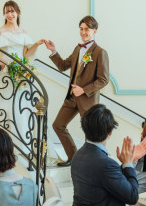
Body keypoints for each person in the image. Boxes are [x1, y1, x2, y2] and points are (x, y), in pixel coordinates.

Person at [44, 15, 109, 166]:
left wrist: (84, 90)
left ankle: (89, 165)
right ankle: (74, 157)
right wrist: (53, 51)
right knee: (58, 125)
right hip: (72, 97)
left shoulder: (100, 52)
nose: (83, 32)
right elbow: (63, 66)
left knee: (89, 133)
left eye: (87, 29)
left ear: (94, 31)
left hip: (87, 100)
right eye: (81, 29)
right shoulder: (77, 49)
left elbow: (104, 79)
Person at [0, 0, 45, 151]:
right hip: (6, 73)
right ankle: (2, 144)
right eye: (7, 12)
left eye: (12, 11)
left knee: (21, 106)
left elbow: (26, 55)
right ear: (4, 14)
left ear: (18, 13)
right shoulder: (0, 31)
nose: (10, 14)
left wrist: (36, 44)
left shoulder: (23, 32)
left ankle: (21, 145)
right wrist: (1, 61)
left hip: (20, 73)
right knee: (5, 105)